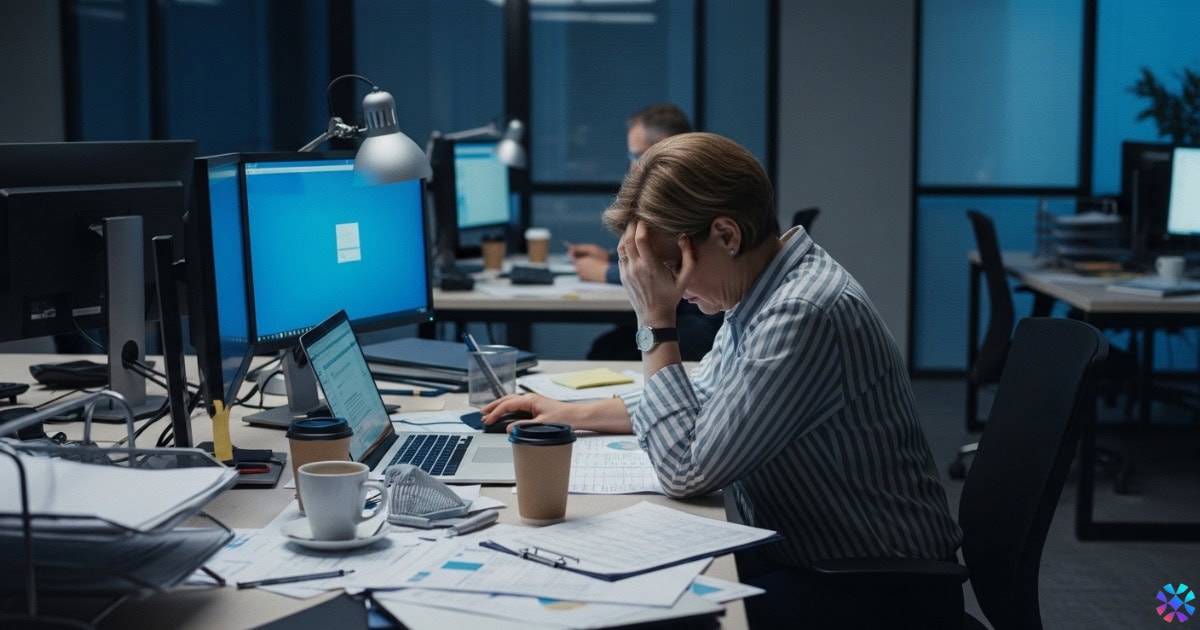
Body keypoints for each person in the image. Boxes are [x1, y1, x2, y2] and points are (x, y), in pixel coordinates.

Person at [484, 132, 963, 627]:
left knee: (648, 615)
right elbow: (698, 398)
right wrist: (567, 413)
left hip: (880, 591)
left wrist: (655, 320)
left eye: (671, 266)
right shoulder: (762, 291)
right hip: (807, 556)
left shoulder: (800, 312)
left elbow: (686, 468)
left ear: (727, 236)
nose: (670, 285)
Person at [568, 103, 721, 361]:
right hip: (699, 319)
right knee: (608, 345)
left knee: (608, 349)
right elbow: (672, 254)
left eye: (636, 156)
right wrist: (609, 257)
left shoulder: (693, 195)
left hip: (706, 327)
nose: (632, 168)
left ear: (664, 148)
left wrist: (605, 272)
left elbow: (674, 267)